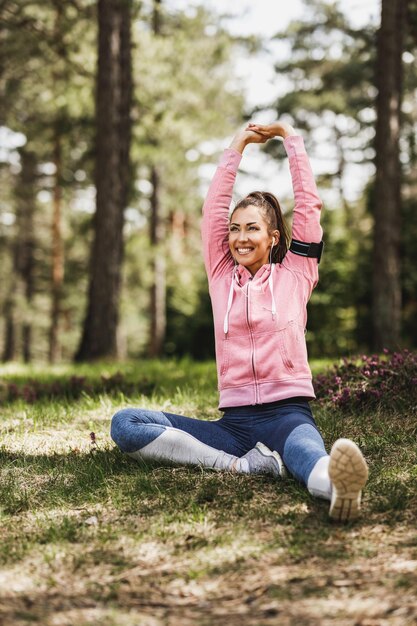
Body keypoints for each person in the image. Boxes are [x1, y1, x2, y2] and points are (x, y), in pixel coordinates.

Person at [111, 121, 368, 522]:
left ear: (274, 238)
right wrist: (238, 145)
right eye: (234, 229)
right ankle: (244, 466)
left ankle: (339, 490)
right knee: (125, 424)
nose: (240, 237)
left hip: (288, 416)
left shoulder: (297, 274)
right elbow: (211, 209)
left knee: (309, 458)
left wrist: (291, 139)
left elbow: (309, 207)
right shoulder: (220, 277)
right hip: (233, 428)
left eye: (251, 228)